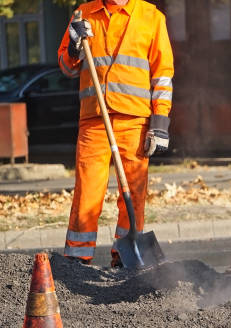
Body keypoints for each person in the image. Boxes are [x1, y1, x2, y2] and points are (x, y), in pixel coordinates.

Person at [58, 0, 174, 267]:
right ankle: (77, 260)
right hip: (94, 120)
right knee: (87, 192)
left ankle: (125, 258)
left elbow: (163, 76)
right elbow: (66, 68)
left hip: (136, 121)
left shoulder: (151, 17)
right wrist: (75, 45)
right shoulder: (83, 14)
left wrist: (159, 124)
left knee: (133, 192)